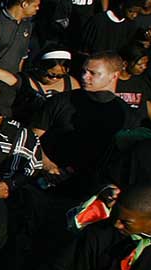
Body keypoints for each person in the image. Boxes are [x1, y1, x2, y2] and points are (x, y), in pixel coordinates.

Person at [33, 52, 141, 187]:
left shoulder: (126, 115)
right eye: (84, 71)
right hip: (49, 181)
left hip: (92, 187)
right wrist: (46, 163)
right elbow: (32, 135)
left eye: (93, 73)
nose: (85, 77)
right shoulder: (60, 101)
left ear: (114, 75)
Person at [0, 0, 40, 72]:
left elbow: (22, 57)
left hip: (12, 79)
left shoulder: (27, 26)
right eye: (35, 5)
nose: (38, 8)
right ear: (24, 4)